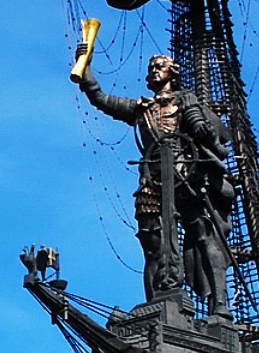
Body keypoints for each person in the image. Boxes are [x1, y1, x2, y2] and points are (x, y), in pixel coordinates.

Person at [76, 53, 235, 310]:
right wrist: (85, 69)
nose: (154, 71)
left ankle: (219, 303)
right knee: (151, 244)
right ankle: (157, 301)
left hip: (186, 174)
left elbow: (196, 124)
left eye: (159, 67)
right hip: (152, 176)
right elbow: (101, 99)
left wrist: (203, 131)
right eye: (151, 68)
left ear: (172, 72)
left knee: (203, 235)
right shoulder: (142, 108)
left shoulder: (185, 100)